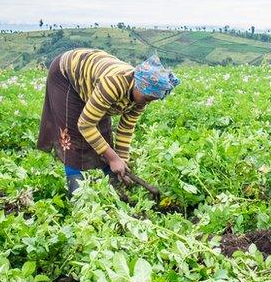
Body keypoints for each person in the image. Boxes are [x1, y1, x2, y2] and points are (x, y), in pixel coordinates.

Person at [37, 50, 179, 196]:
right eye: (148, 97)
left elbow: (126, 128)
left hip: (93, 79)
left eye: (152, 99)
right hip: (66, 76)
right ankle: (76, 191)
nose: (147, 102)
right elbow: (85, 124)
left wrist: (121, 161)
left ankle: (113, 181)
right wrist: (112, 158)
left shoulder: (141, 98)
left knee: (103, 134)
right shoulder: (113, 84)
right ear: (138, 85)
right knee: (73, 134)